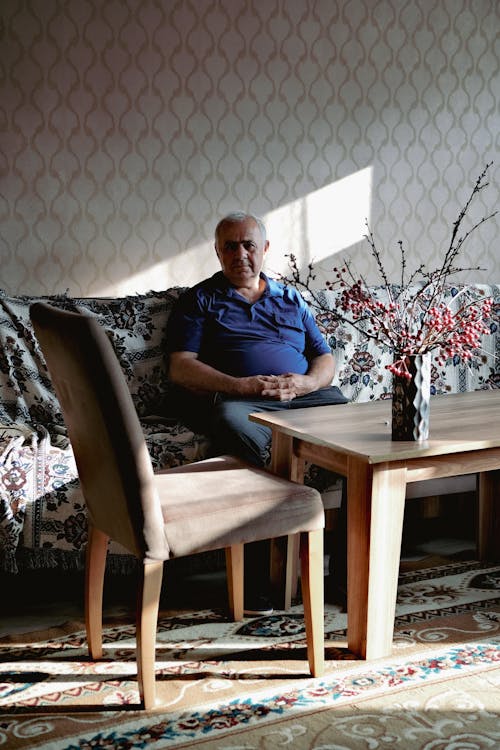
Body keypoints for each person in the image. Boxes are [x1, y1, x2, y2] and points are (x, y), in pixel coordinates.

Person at [167, 211, 348, 614]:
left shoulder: (290, 298)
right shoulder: (200, 299)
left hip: (304, 397)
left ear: (264, 249)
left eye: (249, 244)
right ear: (217, 252)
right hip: (241, 401)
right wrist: (241, 385)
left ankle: (344, 577)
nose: (240, 254)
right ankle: (254, 581)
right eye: (229, 246)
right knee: (241, 437)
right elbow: (180, 366)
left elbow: (324, 357)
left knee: (357, 439)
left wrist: (308, 383)